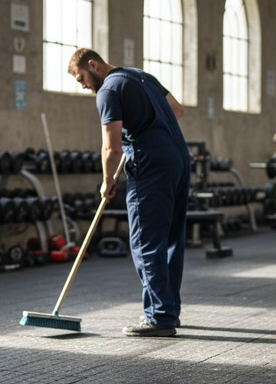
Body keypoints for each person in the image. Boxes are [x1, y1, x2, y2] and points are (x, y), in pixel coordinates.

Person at [67, 48, 190, 337]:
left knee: (146, 241)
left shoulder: (108, 90)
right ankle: (169, 310)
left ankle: (159, 316)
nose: (83, 86)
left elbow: (111, 147)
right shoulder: (140, 75)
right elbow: (177, 111)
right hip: (179, 158)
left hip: (151, 163)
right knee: (170, 239)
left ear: (93, 65)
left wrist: (107, 179)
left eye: (80, 78)